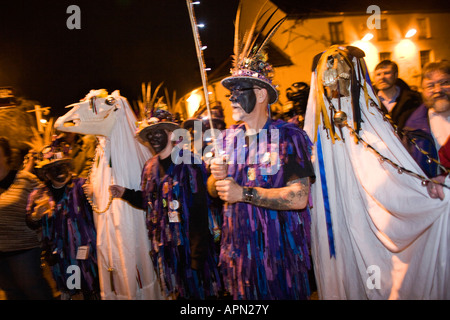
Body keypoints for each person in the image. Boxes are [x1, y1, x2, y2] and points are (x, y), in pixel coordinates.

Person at [207, 15, 315, 297]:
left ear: (261, 94)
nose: (230, 98)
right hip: (239, 261)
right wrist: (215, 177)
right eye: (229, 92)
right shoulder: (227, 138)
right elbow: (214, 190)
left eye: (238, 91)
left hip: (279, 263)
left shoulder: (290, 136)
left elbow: (299, 197)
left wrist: (243, 193)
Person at [109, 109, 222, 299]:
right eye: (150, 134)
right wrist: (125, 193)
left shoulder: (190, 163)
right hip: (169, 249)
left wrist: (197, 254)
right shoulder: (149, 167)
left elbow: (200, 211)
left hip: (192, 247)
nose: (153, 137)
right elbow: (149, 202)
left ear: (170, 134)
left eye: (158, 132)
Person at [26, 141, 100, 299]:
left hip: (88, 255)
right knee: (73, 290)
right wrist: (35, 216)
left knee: (93, 290)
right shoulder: (39, 194)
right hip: (61, 257)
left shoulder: (82, 186)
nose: (59, 171)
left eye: (62, 165)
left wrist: (95, 196)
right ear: (46, 173)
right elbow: (31, 222)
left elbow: (101, 211)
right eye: (53, 168)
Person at [0, 136, 54, 300]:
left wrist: (40, 214)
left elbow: (47, 203)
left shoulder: (24, 179)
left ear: (6, 156)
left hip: (24, 250)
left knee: (35, 291)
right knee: (12, 294)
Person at [402, 60, 450, 200]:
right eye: (430, 86)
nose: (437, 90)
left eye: (444, 82)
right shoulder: (412, 131)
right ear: (422, 91)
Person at [374, 60, 422, 130]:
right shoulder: (369, 102)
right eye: (378, 74)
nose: (382, 77)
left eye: (386, 73)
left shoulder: (413, 101)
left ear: (396, 75)